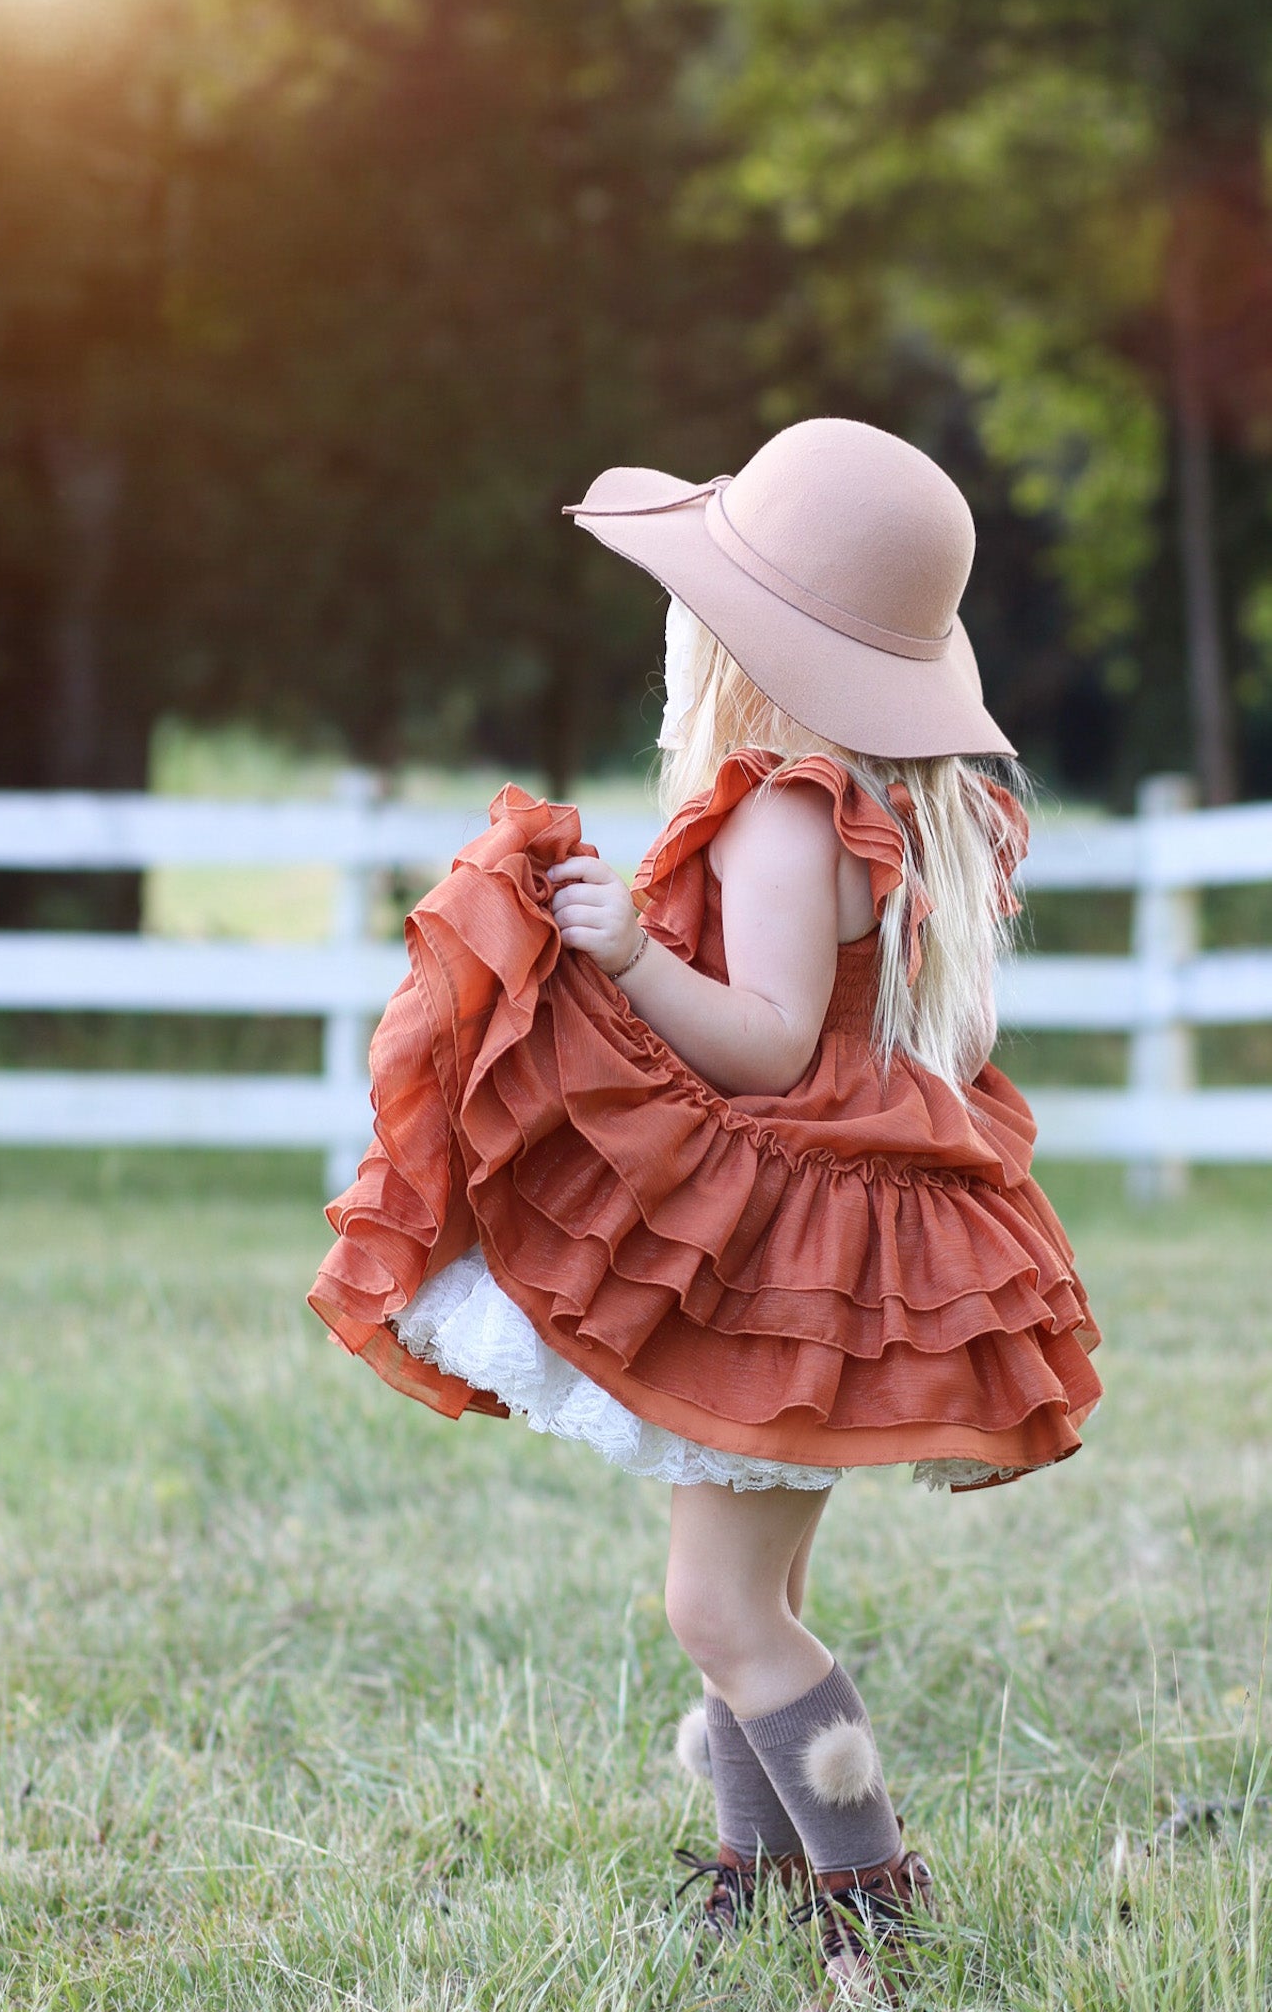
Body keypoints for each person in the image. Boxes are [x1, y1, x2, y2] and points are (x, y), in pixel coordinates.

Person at [308, 417, 1101, 2003]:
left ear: (741, 637)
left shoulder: (778, 813)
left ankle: (872, 1892)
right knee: (744, 1601)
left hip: (788, 1250)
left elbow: (764, 1041)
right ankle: (749, 1875)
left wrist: (618, 956)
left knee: (722, 1605)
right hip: (821, 1238)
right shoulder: (852, 799)